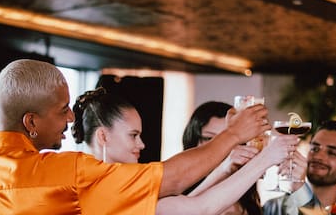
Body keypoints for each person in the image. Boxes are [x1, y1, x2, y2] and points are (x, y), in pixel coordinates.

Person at [0, 58, 276, 214]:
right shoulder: (71, 175)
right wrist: (234, 134)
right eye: (62, 110)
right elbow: (176, 183)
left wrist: (228, 165)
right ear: (31, 121)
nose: (69, 118)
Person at [72, 89, 298, 214]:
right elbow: (199, 208)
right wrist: (265, 158)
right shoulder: (104, 185)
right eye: (133, 135)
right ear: (103, 136)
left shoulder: (108, 180)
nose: (141, 145)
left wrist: (225, 168)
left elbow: (190, 205)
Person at [182, 101, 263, 215]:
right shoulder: (174, 186)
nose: (220, 146)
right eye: (209, 138)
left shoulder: (244, 185)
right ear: (193, 142)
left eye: (229, 139)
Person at [263, 120, 336, 215]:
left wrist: (300, 190)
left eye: (332, 153)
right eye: (314, 149)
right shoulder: (274, 207)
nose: (318, 156)